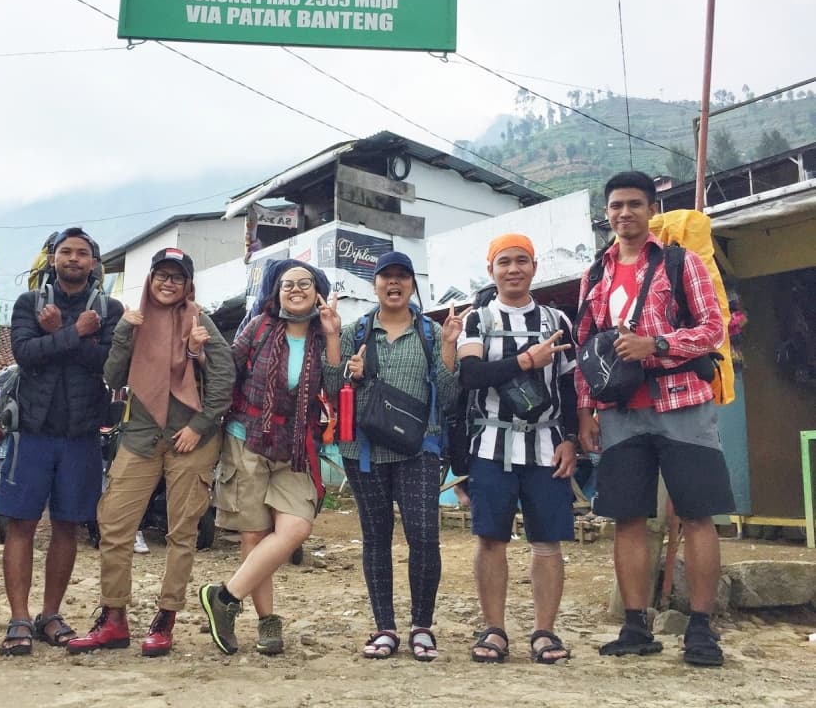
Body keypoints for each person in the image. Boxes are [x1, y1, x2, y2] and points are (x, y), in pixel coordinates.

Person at [575, 171, 732, 667]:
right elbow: (586, 347)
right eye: (616, 205)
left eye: (635, 204)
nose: (625, 213)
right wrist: (585, 410)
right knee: (627, 518)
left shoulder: (680, 262)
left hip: (683, 402)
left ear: (651, 209)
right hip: (620, 411)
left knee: (699, 513)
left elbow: (713, 328)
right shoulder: (594, 275)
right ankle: (635, 626)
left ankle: (701, 630)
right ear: (606, 213)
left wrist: (657, 344)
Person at [68, 248, 234, 657]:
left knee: (182, 532)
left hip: (190, 440)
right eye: (162, 274)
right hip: (141, 435)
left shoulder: (199, 320)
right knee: (114, 525)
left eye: (177, 277)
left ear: (187, 284)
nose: (167, 283)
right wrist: (125, 331)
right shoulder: (134, 319)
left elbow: (224, 376)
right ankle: (114, 618)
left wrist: (199, 426)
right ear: (150, 278)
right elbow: (112, 376)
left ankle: (166, 618)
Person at [322, 251, 459, 662]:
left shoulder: (432, 333)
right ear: (375, 284)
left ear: (413, 284)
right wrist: (336, 343)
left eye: (402, 276)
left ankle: (422, 627)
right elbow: (333, 389)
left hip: (420, 449)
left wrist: (449, 347)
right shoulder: (357, 331)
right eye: (386, 276)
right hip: (364, 450)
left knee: (424, 536)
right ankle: (385, 628)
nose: (394, 283)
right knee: (376, 537)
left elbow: (449, 394)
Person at [0, 228, 121, 655]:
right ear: (52, 259)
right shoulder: (29, 303)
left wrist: (58, 333)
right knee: (21, 523)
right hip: (32, 429)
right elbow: (24, 354)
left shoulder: (109, 310)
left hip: (81, 433)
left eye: (82, 253)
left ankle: (50, 614)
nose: (73, 259)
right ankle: (18, 617)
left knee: (67, 525)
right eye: (65, 252)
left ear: (93, 263)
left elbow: (109, 365)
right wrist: (77, 332)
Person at [453, 233, 578, 664]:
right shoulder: (477, 320)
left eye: (521, 261)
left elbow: (569, 385)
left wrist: (572, 440)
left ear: (534, 267)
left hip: (547, 445)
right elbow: (470, 375)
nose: (513, 269)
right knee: (491, 539)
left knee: (548, 541)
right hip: (491, 443)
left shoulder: (557, 320)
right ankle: (494, 629)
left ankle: (545, 632)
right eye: (503, 262)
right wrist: (525, 361)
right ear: (491, 270)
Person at [199, 261, 335, 656]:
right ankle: (267, 622)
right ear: (276, 292)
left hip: (296, 447)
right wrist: (200, 353)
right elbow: (227, 368)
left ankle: (225, 596)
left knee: (296, 528)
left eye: (305, 283)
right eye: (287, 284)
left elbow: (335, 384)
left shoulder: (321, 336)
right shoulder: (259, 327)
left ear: (318, 292)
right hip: (248, 438)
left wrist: (333, 334)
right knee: (255, 534)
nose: (296, 290)